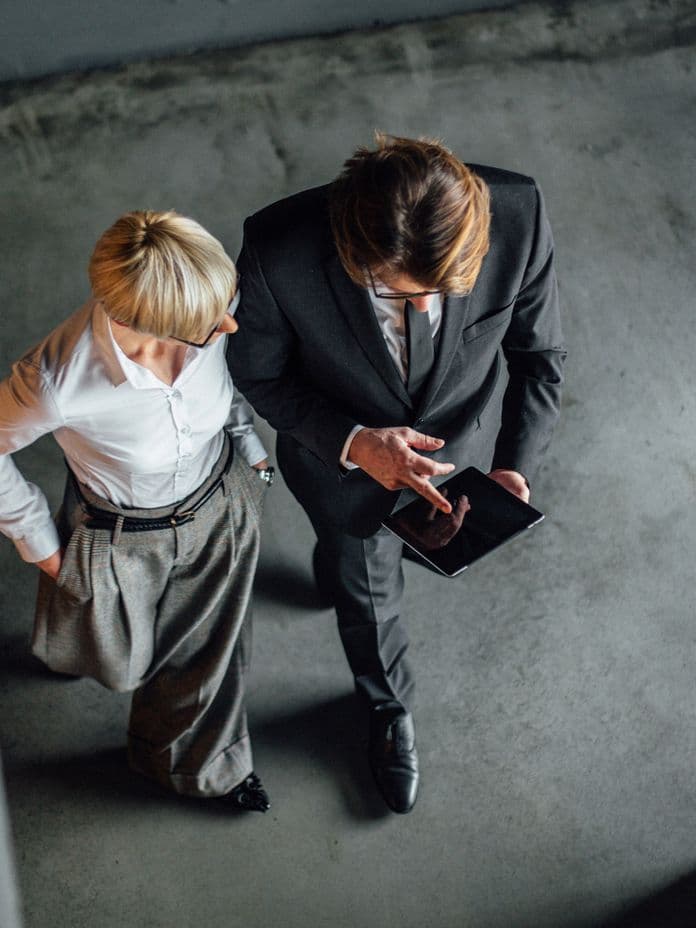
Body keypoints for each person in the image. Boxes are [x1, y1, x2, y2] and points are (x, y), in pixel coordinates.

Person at [227, 134, 566, 814]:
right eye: (401, 293)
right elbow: (256, 372)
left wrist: (511, 467)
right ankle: (388, 707)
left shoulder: (519, 212)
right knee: (367, 590)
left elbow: (540, 356)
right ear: (354, 253)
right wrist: (354, 443)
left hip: (459, 457)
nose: (424, 310)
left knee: (360, 568)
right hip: (341, 469)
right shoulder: (277, 250)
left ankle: (336, 565)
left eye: (440, 293)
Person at [0, 210, 274, 812]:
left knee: (206, 658)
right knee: (120, 659)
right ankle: (63, 651)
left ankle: (194, 768)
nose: (229, 325)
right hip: (116, 536)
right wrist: (41, 544)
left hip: (219, 506)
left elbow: (226, 391)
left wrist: (252, 458)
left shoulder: (205, 321)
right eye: (209, 325)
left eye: (227, 305)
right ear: (141, 324)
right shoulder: (56, 380)